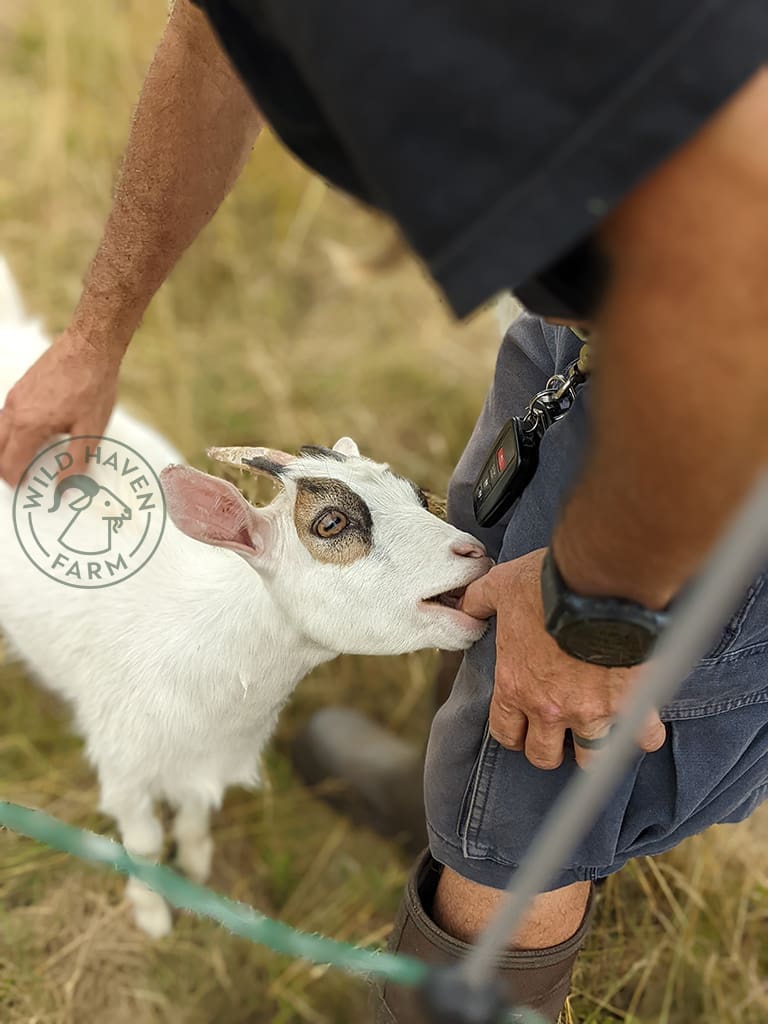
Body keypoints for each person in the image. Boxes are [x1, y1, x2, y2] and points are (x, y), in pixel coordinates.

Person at [1, 2, 766, 1021]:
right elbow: (212, 35)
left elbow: (736, 289)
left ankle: (489, 880)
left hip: (728, 355)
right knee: (485, 546)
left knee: (549, 744)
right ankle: (448, 786)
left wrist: (599, 609)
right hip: (601, 302)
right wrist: (98, 330)